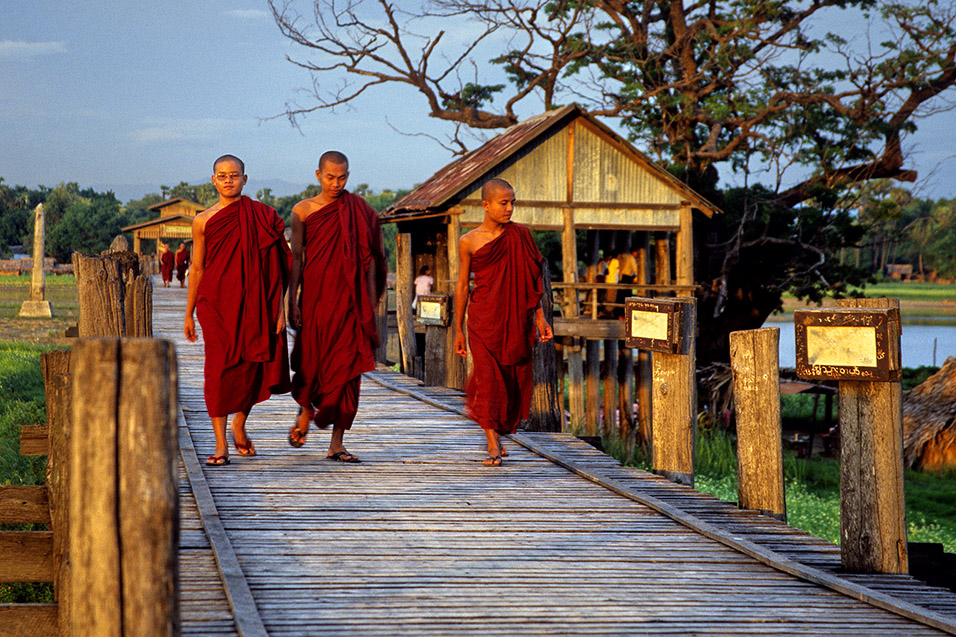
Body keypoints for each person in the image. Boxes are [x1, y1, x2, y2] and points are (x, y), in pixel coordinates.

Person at [184, 155, 292, 466]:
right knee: (217, 370)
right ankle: (220, 445)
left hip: (256, 304)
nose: (228, 180)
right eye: (222, 175)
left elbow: (279, 266)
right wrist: (188, 312)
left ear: (245, 179)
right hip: (215, 304)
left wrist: (279, 309)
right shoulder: (203, 220)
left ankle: (239, 424)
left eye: (234, 175)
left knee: (251, 366)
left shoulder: (263, 216)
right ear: (213, 180)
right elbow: (198, 266)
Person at [287, 151, 387, 463]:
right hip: (316, 299)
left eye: (342, 177)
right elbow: (297, 259)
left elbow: (375, 257)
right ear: (318, 174)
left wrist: (371, 300)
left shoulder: (359, 209)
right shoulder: (302, 210)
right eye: (330, 177)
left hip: (350, 303)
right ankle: (305, 410)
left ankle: (337, 443)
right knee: (310, 363)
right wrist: (292, 300)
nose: (336, 183)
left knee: (348, 371)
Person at [454, 178, 553, 466]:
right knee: (487, 381)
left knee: (510, 381)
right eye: (503, 203)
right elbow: (462, 286)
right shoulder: (469, 241)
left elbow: (532, 280)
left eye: (513, 202)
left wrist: (540, 317)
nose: (510, 208)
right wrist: (458, 329)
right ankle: (492, 443)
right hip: (483, 320)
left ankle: (497, 434)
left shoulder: (520, 235)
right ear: (486, 205)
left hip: (515, 321)